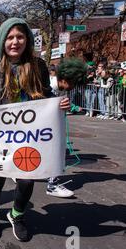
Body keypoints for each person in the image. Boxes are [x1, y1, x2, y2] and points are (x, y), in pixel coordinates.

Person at [0, 18, 70, 242]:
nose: (15, 42)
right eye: (10, 37)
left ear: (27, 40)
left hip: (28, 134)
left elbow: (45, 95)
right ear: (2, 41)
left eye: (20, 37)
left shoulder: (37, 65)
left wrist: (58, 103)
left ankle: (17, 215)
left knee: (27, 179)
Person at [46, 58, 87, 198]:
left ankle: (52, 183)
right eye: (73, 82)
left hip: (52, 128)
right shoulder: (48, 87)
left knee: (55, 152)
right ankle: (51, 185)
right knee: (53, 153)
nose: (73, 86)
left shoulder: (62, 88)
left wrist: (71, 107)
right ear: (64, 78)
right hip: (44, 129)